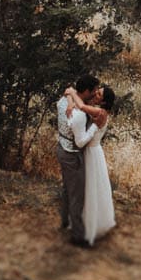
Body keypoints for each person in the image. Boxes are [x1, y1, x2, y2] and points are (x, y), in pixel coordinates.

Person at [64, 83, 117, 248]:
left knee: (89, 188)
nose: (96, 94)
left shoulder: (99, 112)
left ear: (103, 102)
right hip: (93, 151)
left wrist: (72, 93)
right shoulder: (101, 111)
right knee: (88, 188)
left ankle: (88, 226)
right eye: (96, 91)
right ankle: (83, 222)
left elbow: (81, 106)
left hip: (92, 153)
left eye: (99, 95)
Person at [56, 74, 101, 247]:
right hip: (72, 154)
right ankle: (78, 236)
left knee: (67, 189)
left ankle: (64, 222)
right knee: (77, 195)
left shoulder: (63, 100)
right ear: (86, 91)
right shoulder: (80, 115)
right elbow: (80, 141)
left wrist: (69, 99)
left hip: (61, 148)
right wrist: (95, 128)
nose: (95, 93)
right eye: (94, 90)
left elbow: (69, 91)